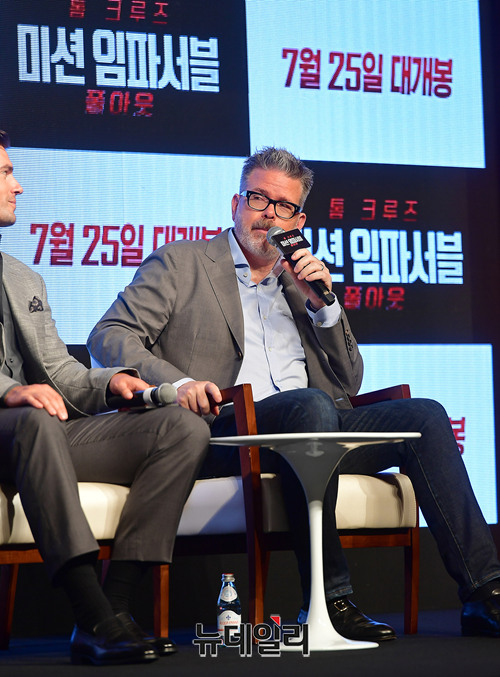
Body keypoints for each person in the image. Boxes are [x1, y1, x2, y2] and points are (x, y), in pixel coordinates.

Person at [88, 146, 500, 641]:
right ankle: (331, 601)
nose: (269, 215)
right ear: (236, 204)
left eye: (283, 206)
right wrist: (178, 385)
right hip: (227, 431)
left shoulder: (299, 284)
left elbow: (350, 382)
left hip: (316, 427)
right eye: (258, 199)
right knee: (309, 405)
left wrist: (324, 308)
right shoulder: (183, 263)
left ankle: (485, 593)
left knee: (426, 417)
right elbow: (109, 334)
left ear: (299, 220)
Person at [0, 130, 211, 665]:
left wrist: (111, 380)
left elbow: (60, 372)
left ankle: (115, 607)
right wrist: (11, 391)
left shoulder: (22, 277)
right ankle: (90, 611)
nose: (18, 186)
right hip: (20, 427)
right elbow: (28, 394)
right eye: (6, 173)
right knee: (34, 421)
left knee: (181, 427)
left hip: (39, 437)